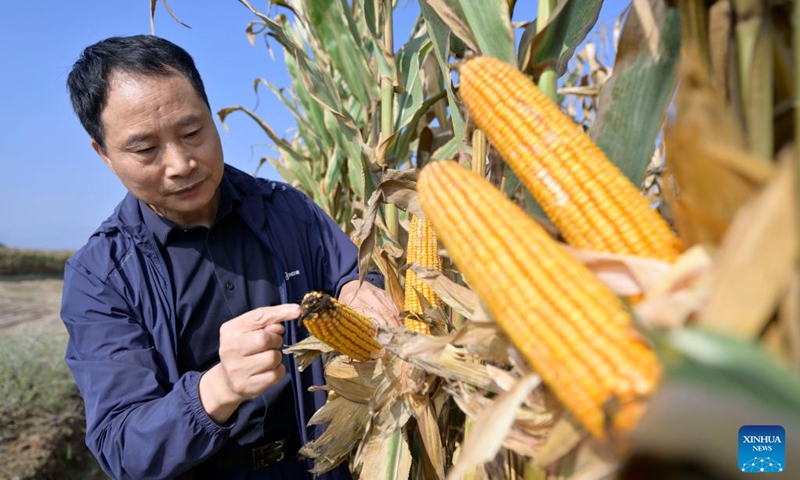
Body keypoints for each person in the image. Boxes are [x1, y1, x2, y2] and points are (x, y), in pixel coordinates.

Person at [61, 34, 400, 480]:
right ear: (103, 153)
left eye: (192, 132)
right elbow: (122, 446)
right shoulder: (99, 277)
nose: (181, 163)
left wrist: (359, 287)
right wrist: (218, 388)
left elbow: (354, 275)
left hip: (319, 466)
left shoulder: (289, 211)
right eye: (146, 149)